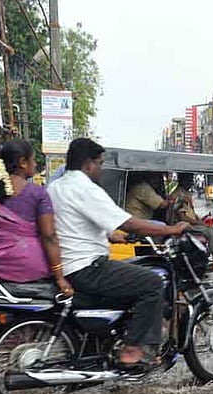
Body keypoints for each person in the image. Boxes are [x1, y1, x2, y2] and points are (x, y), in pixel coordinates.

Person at [48, 138, 187, 372]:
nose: (101, 169)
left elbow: (75, 223)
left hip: (69, 265)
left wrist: (111, 235)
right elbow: (131, 223)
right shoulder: (86, 189)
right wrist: (171, 229)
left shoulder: (56, 187)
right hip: (87, 267)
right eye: (100, 164)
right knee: (152, 282)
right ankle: (132, 350)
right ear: (88, 164)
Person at [0, 140, 71, 294]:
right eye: (33, 160)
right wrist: (59, 277)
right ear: (23, 162)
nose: (35, 164)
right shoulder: (37, 193)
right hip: (27, 267)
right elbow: (49, 236)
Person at [167, 172, 213, 265]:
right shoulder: (180, 195)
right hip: (183, 225)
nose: (191, 182)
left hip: (189, 223)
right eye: (189, 180)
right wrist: (199, 223)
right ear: (183, 180)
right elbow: (183, 217)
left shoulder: (185, 193)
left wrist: (201, 221)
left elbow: (191, 213)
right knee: (211, 232)